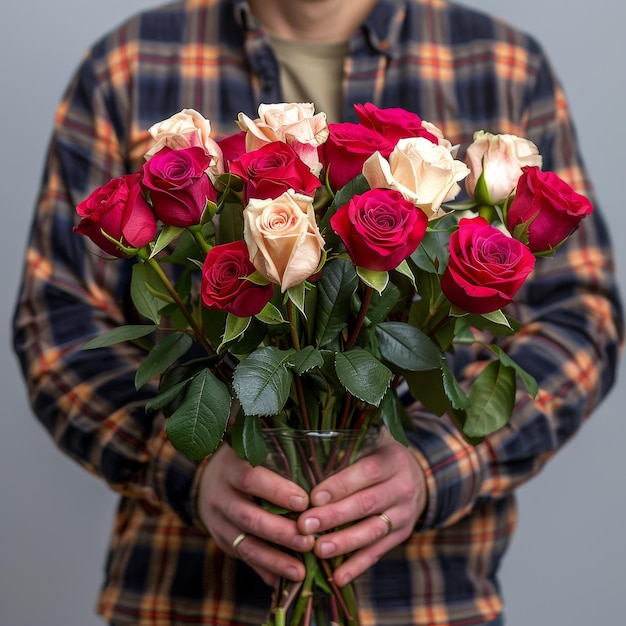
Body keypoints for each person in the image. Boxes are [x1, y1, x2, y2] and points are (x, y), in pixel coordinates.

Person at [11, 0, 623, 625]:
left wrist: (436, 465)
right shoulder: (129, 62)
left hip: (427, 599)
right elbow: (54, 322)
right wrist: (182, 468)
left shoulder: (503, 63)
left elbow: (584, 316)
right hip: (188, 596)